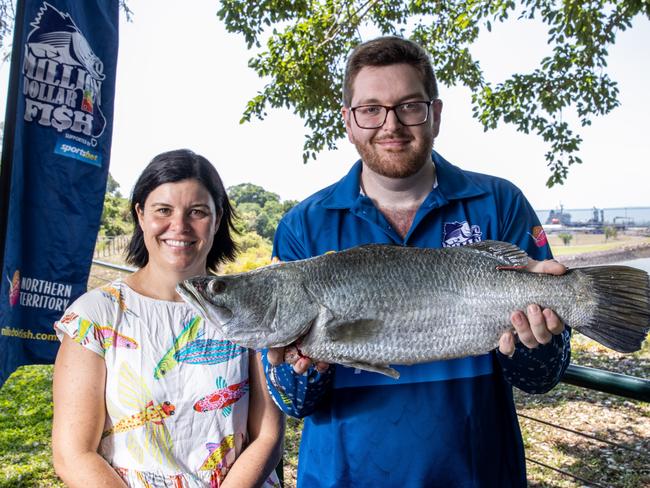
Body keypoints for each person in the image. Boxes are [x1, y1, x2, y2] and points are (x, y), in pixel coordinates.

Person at [263, 37, 571, 487]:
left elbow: (543, 377)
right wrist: (305, 363)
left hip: (479, 473)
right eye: (371, 109)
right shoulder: (303, 227)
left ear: (436, 115)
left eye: (409, 106)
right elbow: (294, 402)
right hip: (344, 477)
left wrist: (536, 341)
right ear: (348, 121)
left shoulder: (500, 202)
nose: (391, 124)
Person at [52, 149, 283, 488]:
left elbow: (267, 435)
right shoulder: (95, 316)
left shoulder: (249, 309)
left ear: (217, 220)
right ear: (141, 215)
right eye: (163, 210)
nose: (180, 226)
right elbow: (73, 454)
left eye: (198, 212)